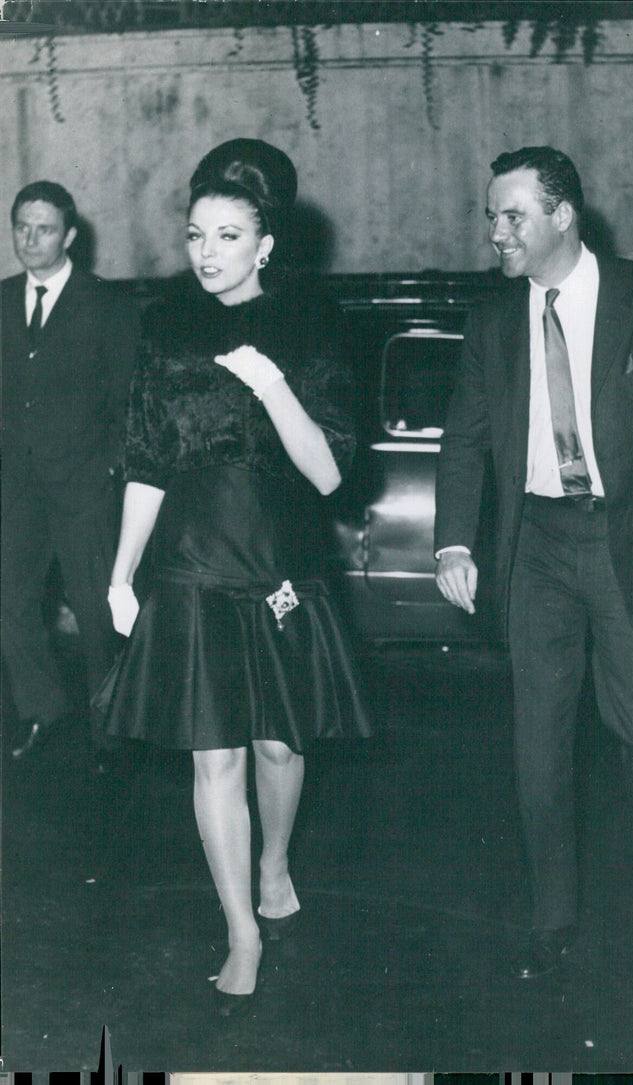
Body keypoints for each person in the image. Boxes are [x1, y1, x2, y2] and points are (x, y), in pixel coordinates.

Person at [434, 146, 633, 979]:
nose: (496, 232)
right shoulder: (493, 320)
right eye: (491, 216)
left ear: (562, 215)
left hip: (628, 540)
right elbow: (463, 438)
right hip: (534, 547)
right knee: (538, 739)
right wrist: (455, 538)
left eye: (512, 216)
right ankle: (554, 914)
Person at [102, 138, 371, 1015]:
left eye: (227, 236)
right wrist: (121, 570)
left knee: (278, 744)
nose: (206, 252)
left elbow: (331, 474)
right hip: (188, 563)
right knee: (212, 754)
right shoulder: (164, 327)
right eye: (195, 235)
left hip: (279, 563)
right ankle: (241, 933)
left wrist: (273, 384)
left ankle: (274, 862)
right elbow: (146, 458)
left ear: (266, 246)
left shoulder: (313, 325)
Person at [1, 181, 139, 765]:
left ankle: (111, 730)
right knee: (11, 601)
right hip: (17, 489)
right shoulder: (2, 299)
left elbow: (127, 398)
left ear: (71, 237)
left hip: (85, 490)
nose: (31, 241)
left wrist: (107, 468)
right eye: (21, 228)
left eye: (45, 229)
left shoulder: (106, 303)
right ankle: (42, 711)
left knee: (95, 613)